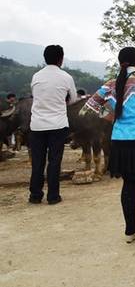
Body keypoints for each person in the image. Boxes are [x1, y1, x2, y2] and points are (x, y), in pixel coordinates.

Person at [82, 47, 135, 247]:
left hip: (120, 142)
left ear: (120, 62)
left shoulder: (111, 84)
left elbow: (95, 106)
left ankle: (131, 231)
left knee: (129, 184)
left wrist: (117, 120)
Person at [28, 45, 77, 205]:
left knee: (37, 161)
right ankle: (53, 196)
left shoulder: (36, 76)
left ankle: (35, 195)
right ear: (60, 59)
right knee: (54, 161)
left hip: (37, 125)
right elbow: (73, 99)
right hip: (58, 124)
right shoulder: (66, 77)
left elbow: (36, 96)